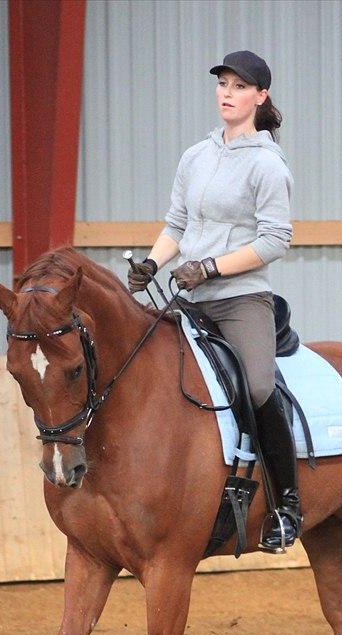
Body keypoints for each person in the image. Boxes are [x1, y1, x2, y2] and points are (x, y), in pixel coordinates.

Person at [127, 50, 300, 552]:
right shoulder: (195, 156)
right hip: (188, 297)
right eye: (223, 83)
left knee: (261, 387)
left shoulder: (267, 165)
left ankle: (287, 505)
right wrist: (151, 264)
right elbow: (177, 224)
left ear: (260, 97)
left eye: (239, 86)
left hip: (239, 299)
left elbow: (275, 240)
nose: (227, 93)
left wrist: (211, 266)